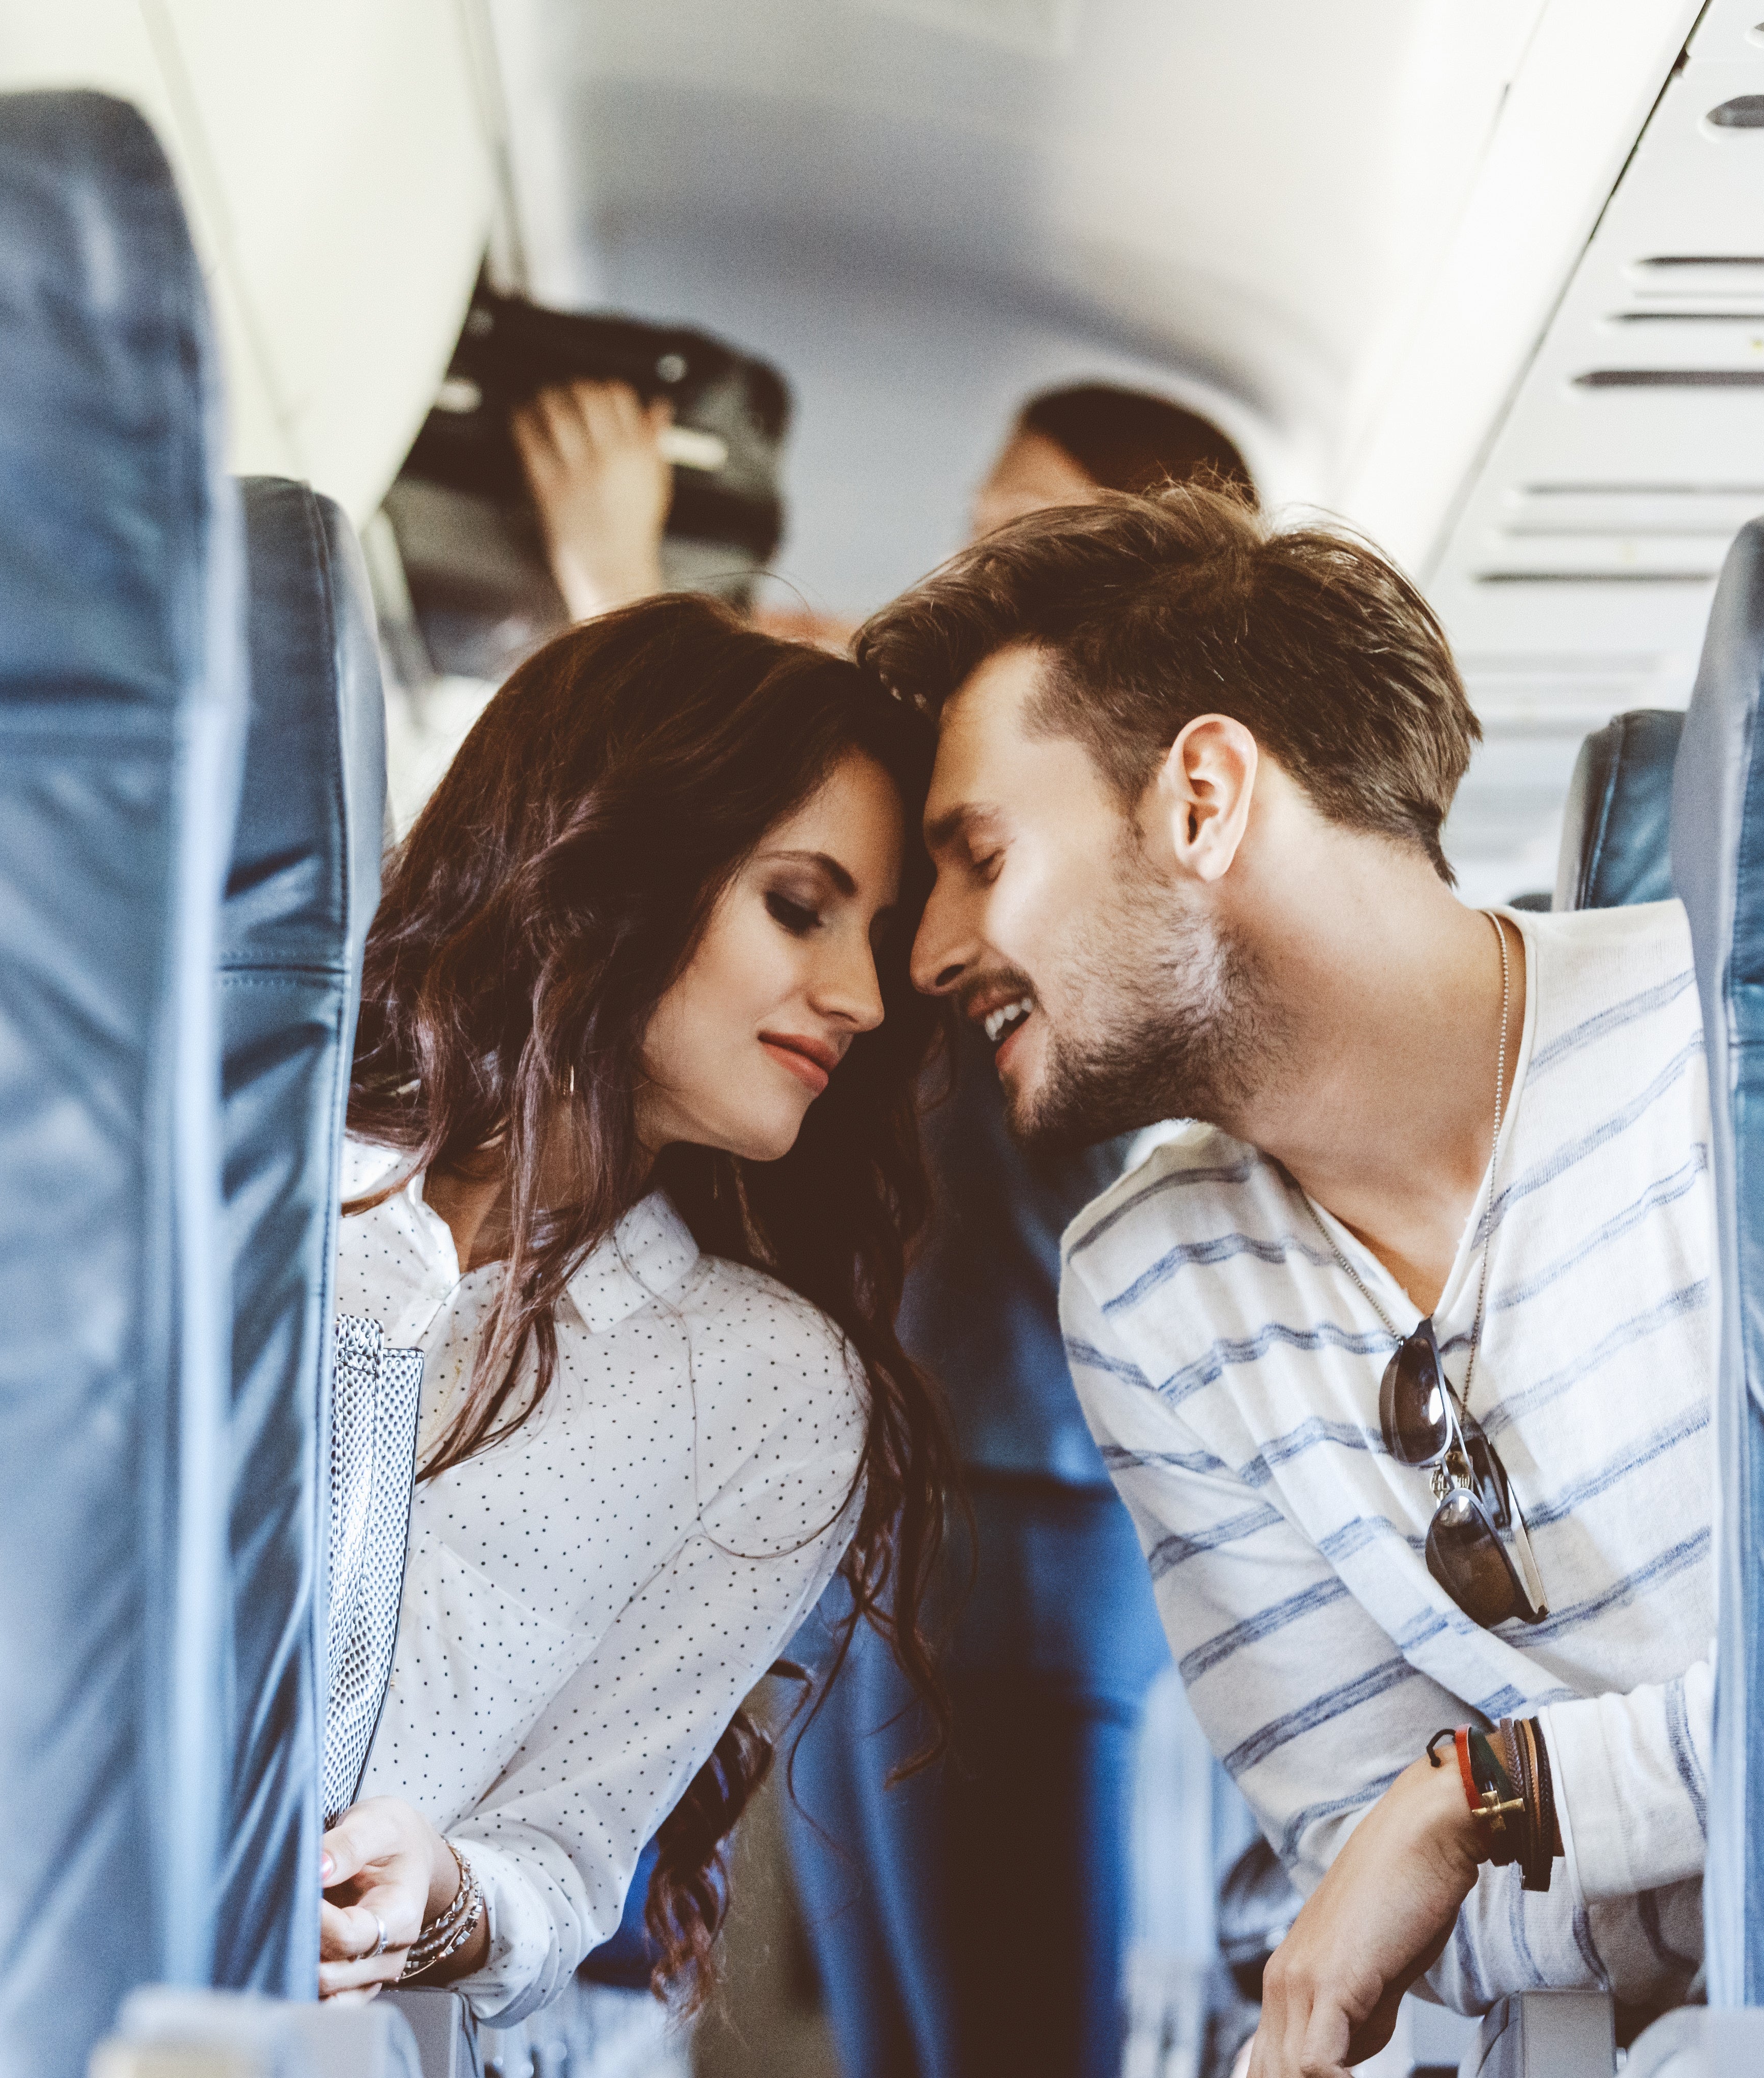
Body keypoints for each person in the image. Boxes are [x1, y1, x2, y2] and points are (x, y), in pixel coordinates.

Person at [860, 483, 1717, 2070]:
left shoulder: (1732, 1068)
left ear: (1200, 796)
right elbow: (1361, 1866)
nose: (924, 955)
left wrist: (1483, 1799)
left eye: (978, 856)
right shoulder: (1150, 1290)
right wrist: (1661, 1826)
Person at [515, 375, 1271, 2078]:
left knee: (1008, 2050)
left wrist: (635, 600)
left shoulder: (1116, 853)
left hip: (1034, 1525)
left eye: (1014, 535)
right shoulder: (976, 834)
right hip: (902, 1522)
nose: (965, 568)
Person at [311, 595, 958, 2035]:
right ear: (614, 872)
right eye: (799, 907)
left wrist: (443, 1900)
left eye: (882, 939)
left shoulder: (770, 1390)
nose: (855, 995)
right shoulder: (248, 1181)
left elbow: (569, 1857)